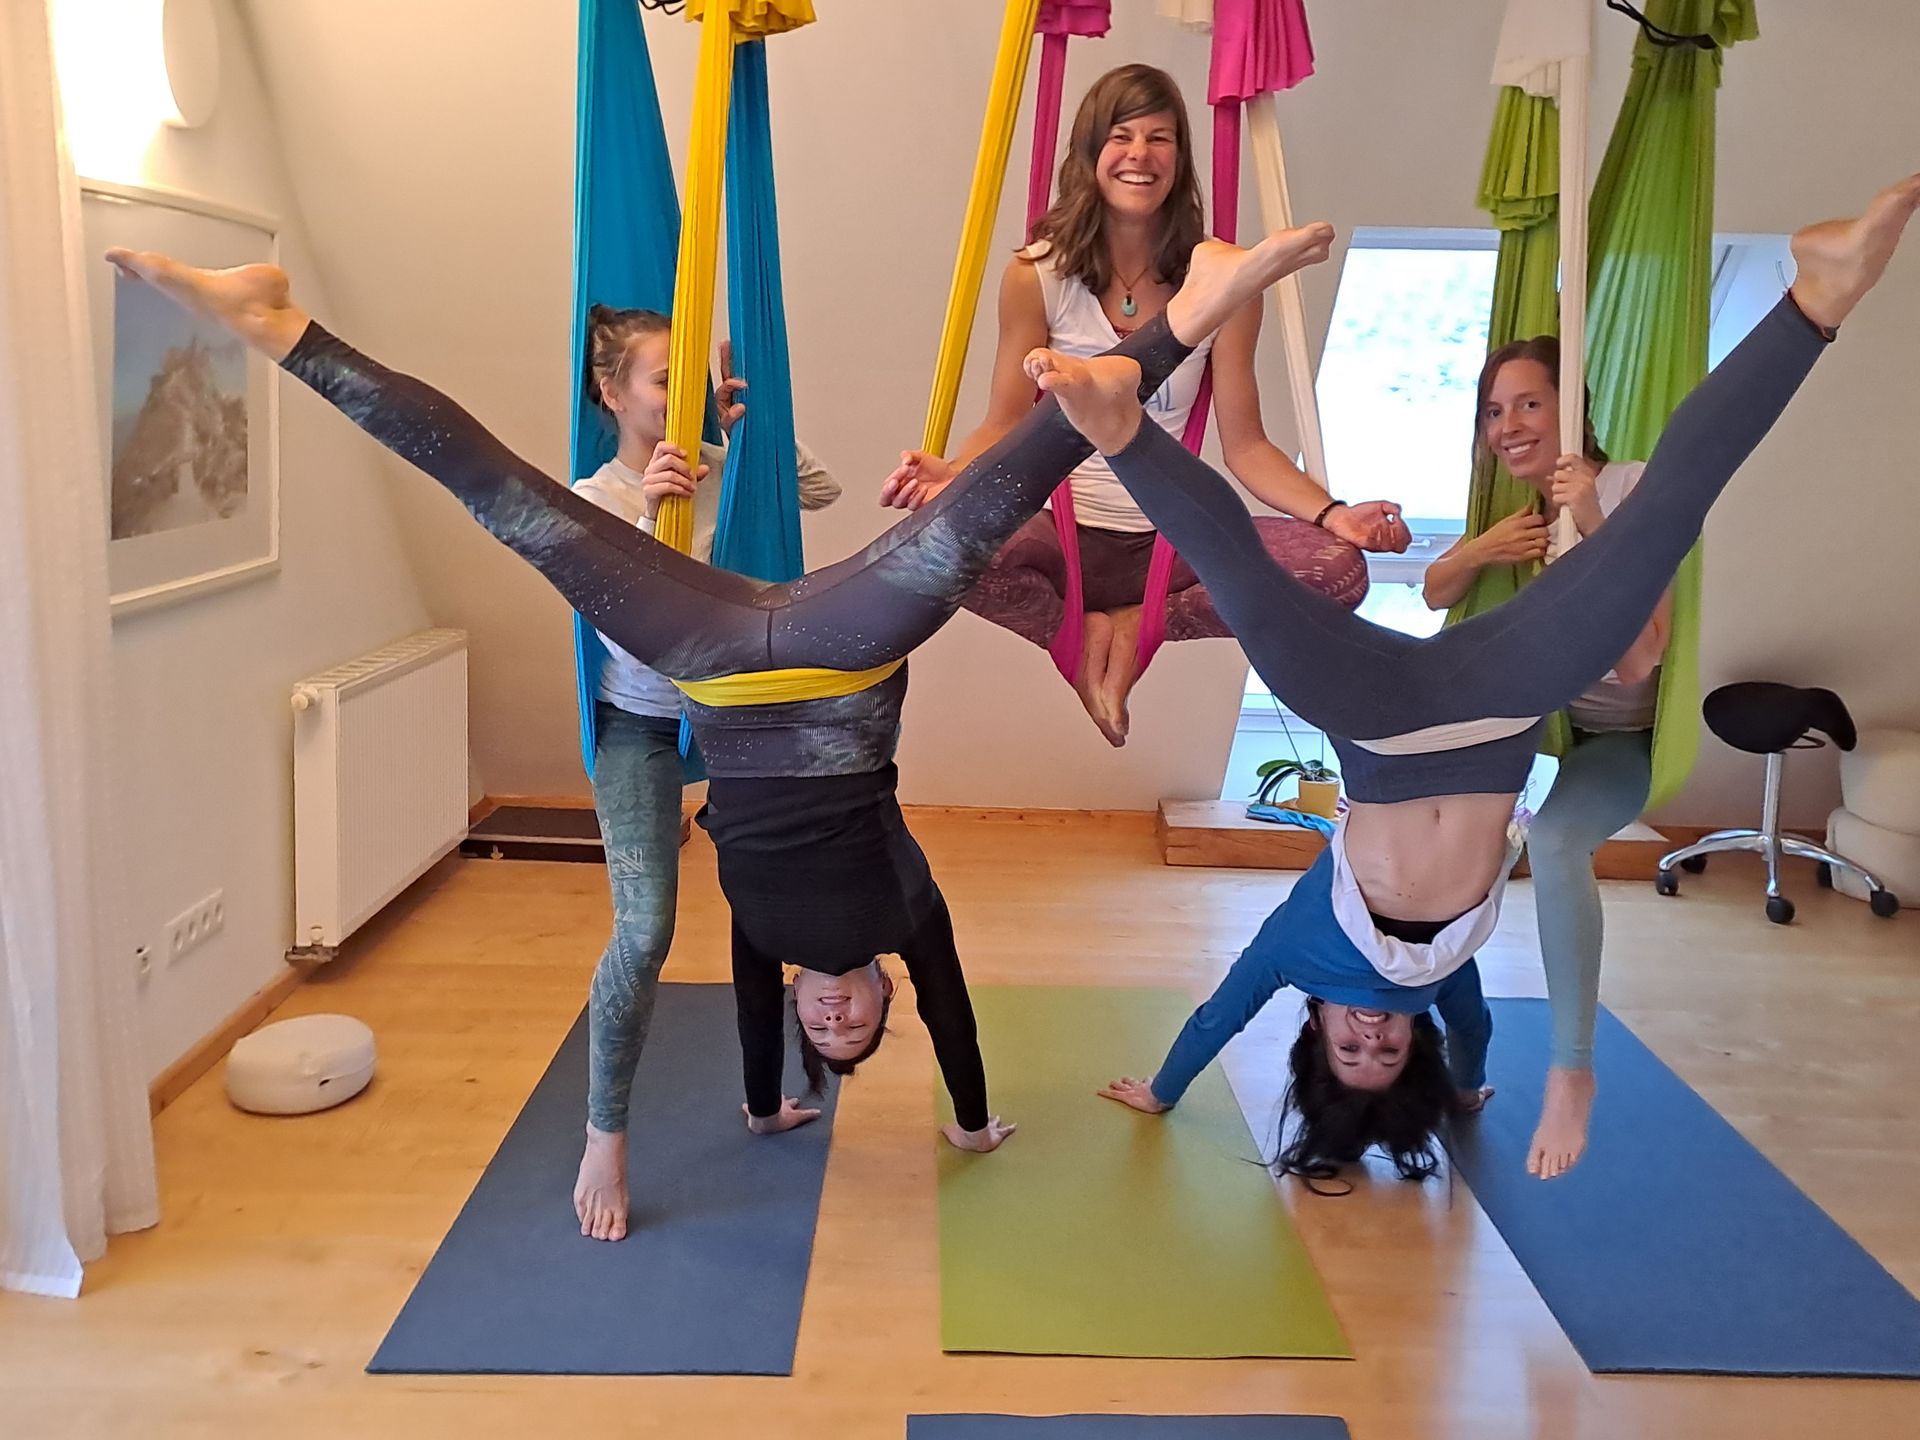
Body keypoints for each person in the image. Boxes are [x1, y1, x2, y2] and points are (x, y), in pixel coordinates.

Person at [105, 215, 1340, 1197]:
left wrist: (756, 1107)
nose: (839, 1009)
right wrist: (965, 1122)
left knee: (504, 502)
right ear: (880, 998)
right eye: (861, 1020)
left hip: (706, 659)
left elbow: (758, 1042)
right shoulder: (904, 913)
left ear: (806, 1012)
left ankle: (285, 329)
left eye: (828, 1024)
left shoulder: (764, 951)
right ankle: (1197, 305)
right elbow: (955, 1011)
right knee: (1018, 475)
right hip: (844, 648)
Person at [1085, 176, 1917, 1180]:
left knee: (1248, 592)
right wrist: (1478, 1087)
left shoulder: (1296, 955)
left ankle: (1121, 429)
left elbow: (1220, 1013)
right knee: (1659, 527)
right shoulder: (1445, 989)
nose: (1373, 1038)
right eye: (1386, 1054)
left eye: (1348, 1049)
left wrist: (1166, 1089)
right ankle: (1814, 302)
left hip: (1380, 731)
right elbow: (1471, 1039)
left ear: (1315, 1033)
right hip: (1494, 713)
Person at [880, 64, 1408, 745]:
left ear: (1180, 160)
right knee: (925, 542)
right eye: (1121, 136)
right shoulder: (1036, 276)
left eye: (1160, 138)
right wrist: (949, 477)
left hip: (1173, 545)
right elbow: (1006, 421)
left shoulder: (1224, 280)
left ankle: (1136, 623)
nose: (1140, 155)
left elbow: (1245, 445)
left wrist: (1337, 514)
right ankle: (1074, 635)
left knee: (1337, 574)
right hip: (1057, 535)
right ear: (1090, 154)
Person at [572, 304, 842, 1240]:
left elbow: (821, 490)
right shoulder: (594, 496)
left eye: (689, 384)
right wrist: (653, 508)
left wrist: (747, 423)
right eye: (661, 383)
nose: (677, 402)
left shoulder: (722, 465)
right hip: (641, 725)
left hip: (736, 722)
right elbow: (619, 620)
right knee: (644, 932)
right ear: (611, 393)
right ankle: (605, 1134)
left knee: (770, 906)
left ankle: (765, 1100)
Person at [1420, 336, 1665, 1181]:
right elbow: (1435, 591)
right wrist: (1484, 549)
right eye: (1494, 410)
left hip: (1625, 740)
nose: (1509, 424)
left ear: (1574, 407)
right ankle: (1457, 1072)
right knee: (1448, 849)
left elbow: (1641, 660)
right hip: (1544, 724)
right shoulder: (1522, 511)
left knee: (1558, 845)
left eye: (1529, 403)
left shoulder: (1629, 487)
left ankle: (1572, 1070)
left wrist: (1593, 522)